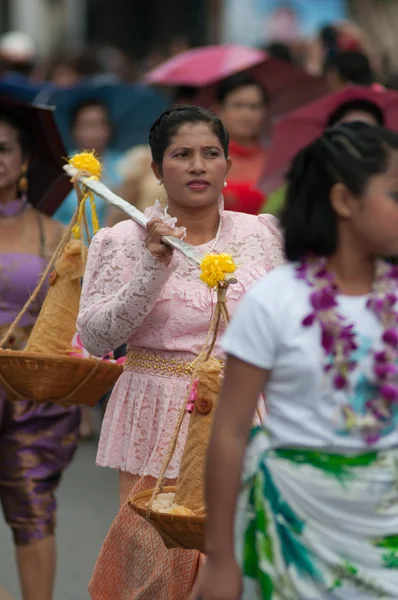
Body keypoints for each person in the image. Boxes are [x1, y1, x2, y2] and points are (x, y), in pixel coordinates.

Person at [77, 105, 284, 600]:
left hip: (245, 413)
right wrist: (153, 266)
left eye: (210, 153)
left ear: (227, 166)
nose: (197, 165)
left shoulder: (262, 235)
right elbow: (96, 337)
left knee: (234, 562)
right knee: (158, 568)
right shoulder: (122, 240)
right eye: (182, 155)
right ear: (155, 169)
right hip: (155, 410)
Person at [191, 122, 398, 600]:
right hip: (295, 530)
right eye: (394, 194)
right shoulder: (276, 300)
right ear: (345, 201)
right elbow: (230, 432)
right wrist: (221, 557)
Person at [0, 109, 80, 600]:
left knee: (33, 508)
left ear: (25, 159)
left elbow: (72, 316)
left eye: (3, 148)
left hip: (31, 395)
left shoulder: (55, 234)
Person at [262, 95, 385, 217]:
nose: (357, 138)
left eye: (367, 131)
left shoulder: (388, 184)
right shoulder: (304, 179)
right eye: (349, 129)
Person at [54, 98, 123, 233]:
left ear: (109, 128)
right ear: (74, 130)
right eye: (87, 125)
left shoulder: (125, 163)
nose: (94, 132)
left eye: (100, 124)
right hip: (71, 245)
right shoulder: (62, 166)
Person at [215, 73, 268, 215]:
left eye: (254, 107)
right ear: (219, 109)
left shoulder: (275, 160)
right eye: (238, 106)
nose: (246, 115)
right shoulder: (204, 158)